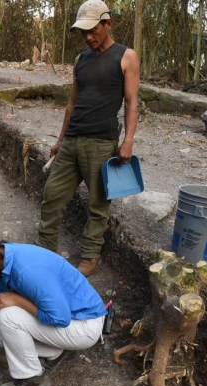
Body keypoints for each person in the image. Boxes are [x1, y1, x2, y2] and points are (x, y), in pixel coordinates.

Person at [35, 0, 140, 277]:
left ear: (108, 23)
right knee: (52, 195)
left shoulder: (126, 56)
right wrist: (60, 140)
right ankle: (45, 250)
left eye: (93, 30)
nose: (88, 37)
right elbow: (72, 104)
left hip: (101, 142)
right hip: (72, 140)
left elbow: (131, 102)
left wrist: (128, 140)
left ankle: (91, 254)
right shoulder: (80, 60)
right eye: (83, 32)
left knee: (98, 202)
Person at [0, 223, 107, 386]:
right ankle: (60, 351)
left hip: (84, 324)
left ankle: (33, 380)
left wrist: (16, 300)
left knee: (8, 317)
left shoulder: (26, 271)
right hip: (70, 320)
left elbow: (60, 318)